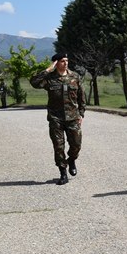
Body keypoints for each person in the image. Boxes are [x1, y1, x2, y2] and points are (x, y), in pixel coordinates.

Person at [30, 52, 86, 185]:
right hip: (56, 118)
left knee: (76, 145)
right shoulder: (49, 78)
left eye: (66, 60)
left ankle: (71, 159)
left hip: (73, 117)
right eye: (62, 61)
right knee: (58, 146)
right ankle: (63, 173)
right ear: (56, 63)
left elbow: (81, 96)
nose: (65, 63)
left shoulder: (75, 76)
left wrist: (81, 114)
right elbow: (34, 82)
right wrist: (48, 70)